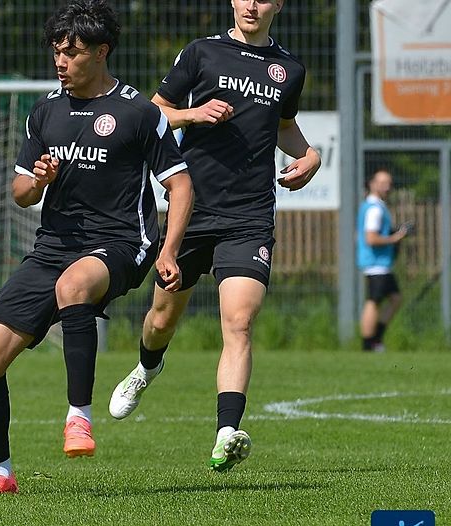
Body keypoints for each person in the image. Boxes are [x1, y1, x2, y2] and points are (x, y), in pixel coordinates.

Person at [0, 0, 194, 496]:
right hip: (52, 248)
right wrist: (39, 180)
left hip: (122, 242)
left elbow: (181, 186)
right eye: (56, 51)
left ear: (102, 52)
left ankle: (78, 418)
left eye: (72, 51)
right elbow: (20, 192)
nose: (60, 61)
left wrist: (169, 251)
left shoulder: (138, 112)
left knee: (75, 285)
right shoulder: (45, 111)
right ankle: (0, 476)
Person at [108, 0, 322, 472]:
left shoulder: (289, 69)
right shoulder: (201, 53)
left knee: (239, 323)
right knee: (161, 320)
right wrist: (195, 114)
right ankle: (147, 367)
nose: (252, 4)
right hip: (192, 209)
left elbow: (284, 127)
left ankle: (227, 431)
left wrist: (310, 155)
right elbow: (153, 113)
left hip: (250, 215)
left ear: (278, 5)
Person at [357, 169, 409, 352]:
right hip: (376, 263)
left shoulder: (376, 206)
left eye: (388, 183)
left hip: (382, 264)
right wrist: (395, 238)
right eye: (382, 182)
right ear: (372, 184)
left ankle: (376, 338)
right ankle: (368, 343)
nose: (386, 187)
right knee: (374, 301)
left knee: (395, 298)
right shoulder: (374, 209)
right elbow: (371, 238)